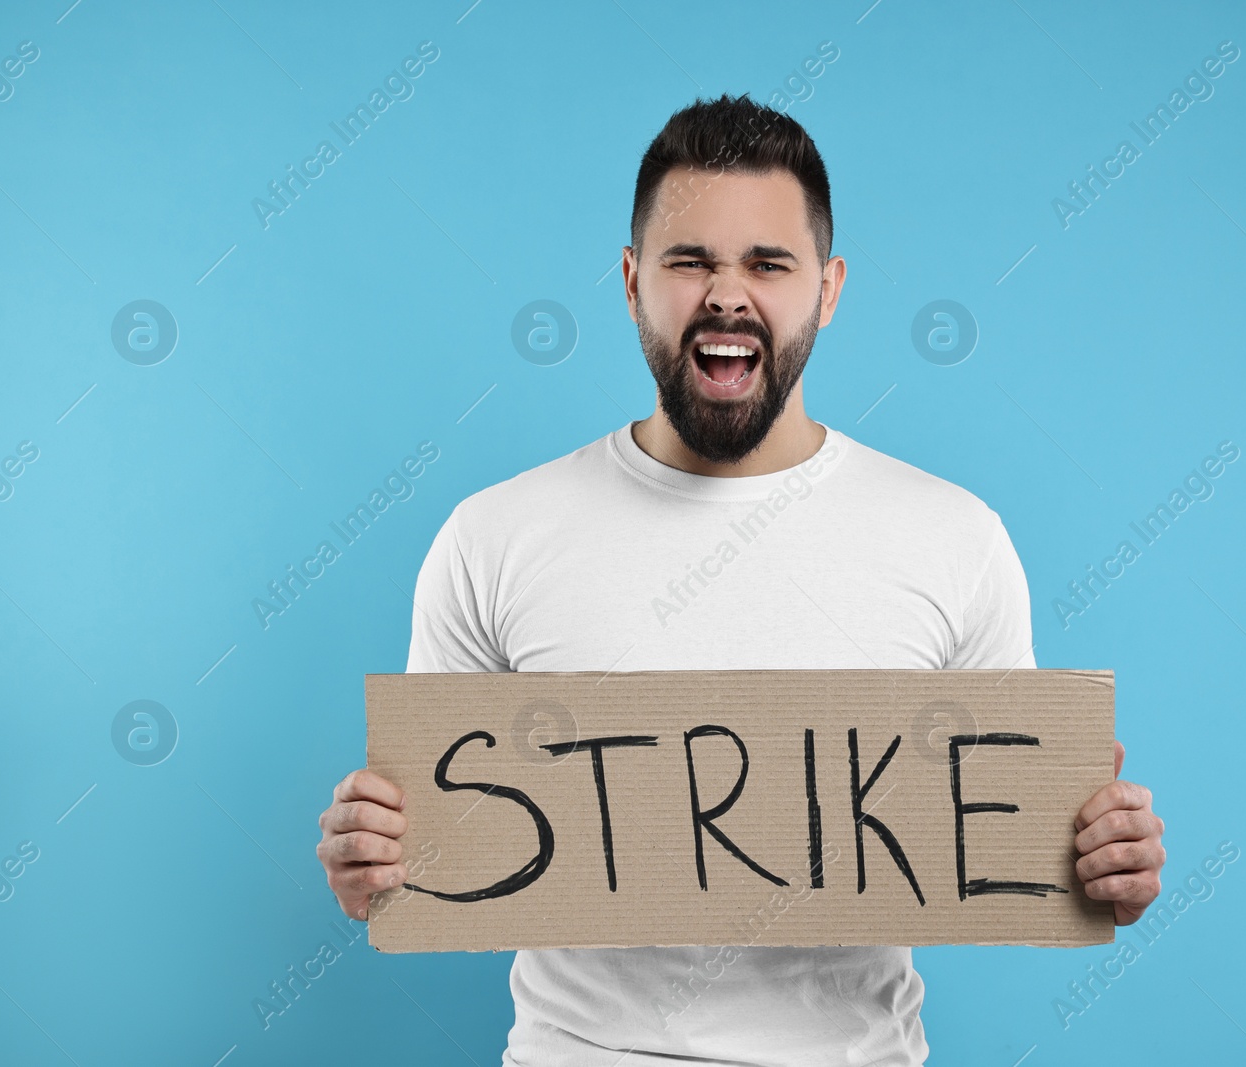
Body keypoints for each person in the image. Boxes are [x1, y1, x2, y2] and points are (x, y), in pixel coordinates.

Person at [317, 93, 1165, 1066]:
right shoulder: (494, 537)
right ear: (633, 281)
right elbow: (427, 858)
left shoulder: (953, 538)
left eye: (768, 263)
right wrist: (370, 866)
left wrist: (1106, 866)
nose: (727, 295)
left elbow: (1020, 844)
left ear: (828, 287)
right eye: (690, 261)